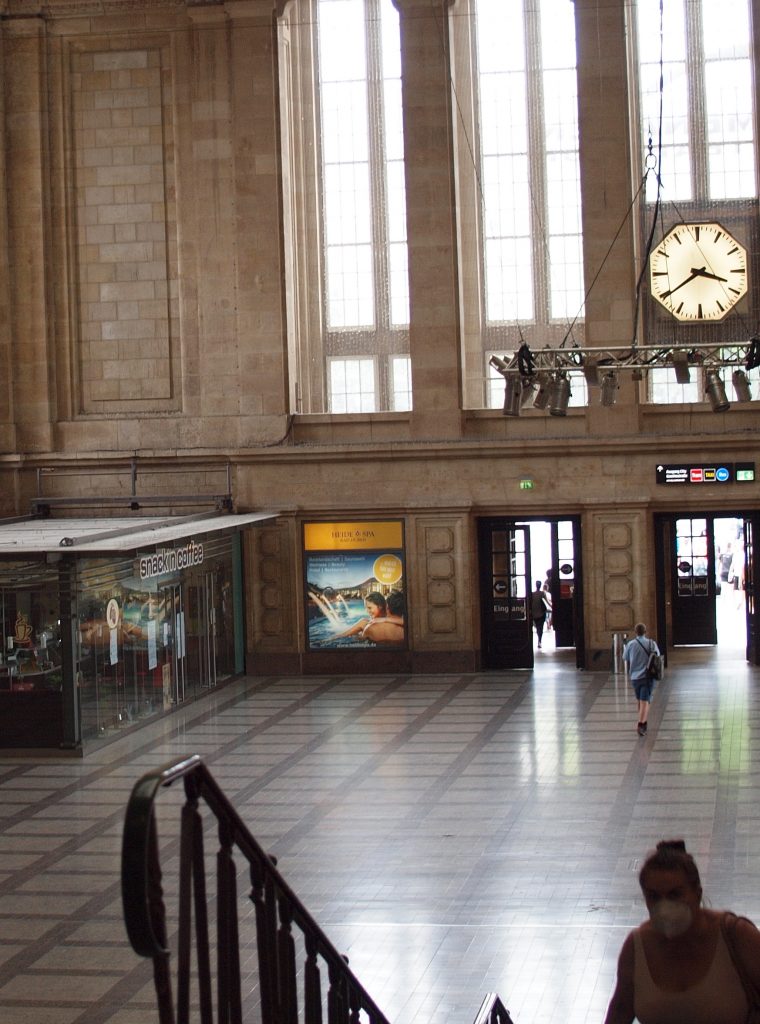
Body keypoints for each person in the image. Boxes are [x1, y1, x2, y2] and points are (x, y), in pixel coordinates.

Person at [603, 839, 760, 1024]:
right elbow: (619, 1013)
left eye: (675, 894)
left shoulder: (737, 936)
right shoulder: (636, 948)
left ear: (698, 893)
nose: (664, 906)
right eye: (654, 896)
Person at [623, 623, 659, 736]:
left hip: (635, 678)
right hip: (647, 677)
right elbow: (657, 655)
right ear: (645, 631)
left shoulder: (630, 644)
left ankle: (643, 720)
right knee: (645, 701)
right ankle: (641, 724)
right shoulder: (651, 643)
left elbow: (625, 657)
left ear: (635, 632)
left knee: (640, 700)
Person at [530, 580, 550, 649]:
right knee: (540, 628)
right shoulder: (542, 593)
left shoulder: (532, 594)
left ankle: (539, 640)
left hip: (534, 612)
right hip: (541, 613)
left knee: (537, 627)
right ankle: (539, 641)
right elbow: (547, 602)